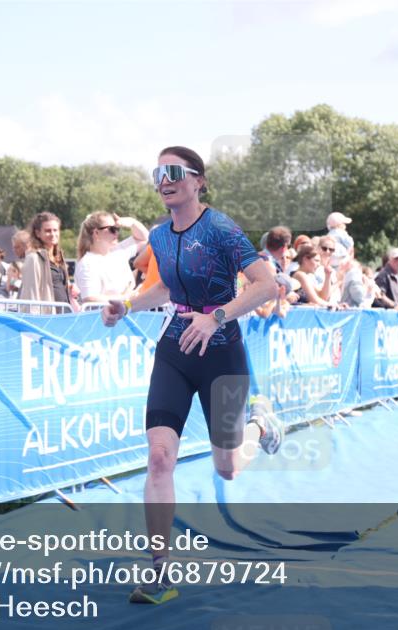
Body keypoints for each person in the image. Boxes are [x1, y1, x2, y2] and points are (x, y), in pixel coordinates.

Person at [100, 146, 283, 605]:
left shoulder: (220, 228)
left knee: (227, 468)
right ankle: (160, 570)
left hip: (222, 353)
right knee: (160, 457)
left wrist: (216, 316)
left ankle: (260, 428)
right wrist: (127, 304)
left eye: (174, 171)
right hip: (176, 349)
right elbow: (165, 287)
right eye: (158, 171)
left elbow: (266, 285)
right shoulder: (160, 236)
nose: (165, 179)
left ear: (198, 180)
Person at [75, 211, 148, 303]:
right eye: (112, 229)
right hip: (102, 316)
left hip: (125, 313)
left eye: (117, 229)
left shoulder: (119, 251)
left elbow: (145, 238)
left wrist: (132, 222)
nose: (116, 233)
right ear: (96, 233)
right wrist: (126, 298)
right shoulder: (87, 263)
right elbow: (90, 298)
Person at [19, 211, 78, 311]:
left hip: (65, 315)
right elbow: (31, 294)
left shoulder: (58, 256)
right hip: (47, 319)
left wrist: (69, 287)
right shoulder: (33, 258)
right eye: (48, 231)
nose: (53, 234)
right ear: (38, 233)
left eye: (55, 230)